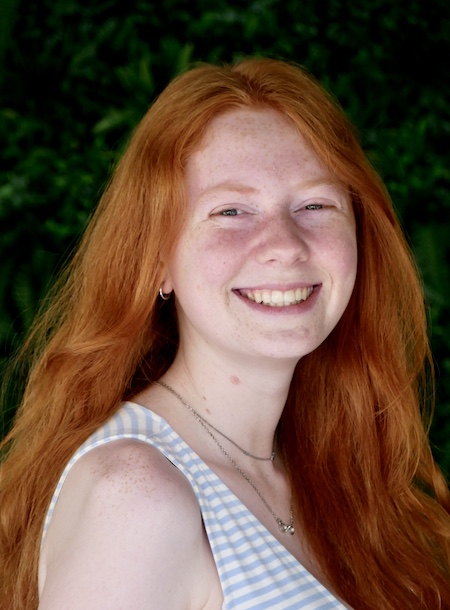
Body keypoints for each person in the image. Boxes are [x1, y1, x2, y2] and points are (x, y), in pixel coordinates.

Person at [0, 57, 449, 610]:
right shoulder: (137, 496)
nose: (285, 244)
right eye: (231, 211)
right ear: (156, 261)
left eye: (315, 204)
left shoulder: (328, 477)